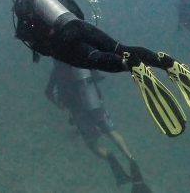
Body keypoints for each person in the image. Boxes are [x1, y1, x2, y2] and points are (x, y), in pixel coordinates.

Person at [11, 0, 190, 137]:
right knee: (122, 48)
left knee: (95, 59)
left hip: (62, 43)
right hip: (76, 23)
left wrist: (47, 46)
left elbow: (27, 37)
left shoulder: (23, 8)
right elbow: (77, 9)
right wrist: (80, 27)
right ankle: (165, 63)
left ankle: (128, 66)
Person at [46, 59, 153, 193]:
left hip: (76, 109)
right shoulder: (79, 62)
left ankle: (111, 158)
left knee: (92, 143)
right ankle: (130, 158)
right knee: (110, 131)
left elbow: (48, 93)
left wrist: (61, 105)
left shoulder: (56, 71)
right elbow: (97, 76)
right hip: (93, 101)